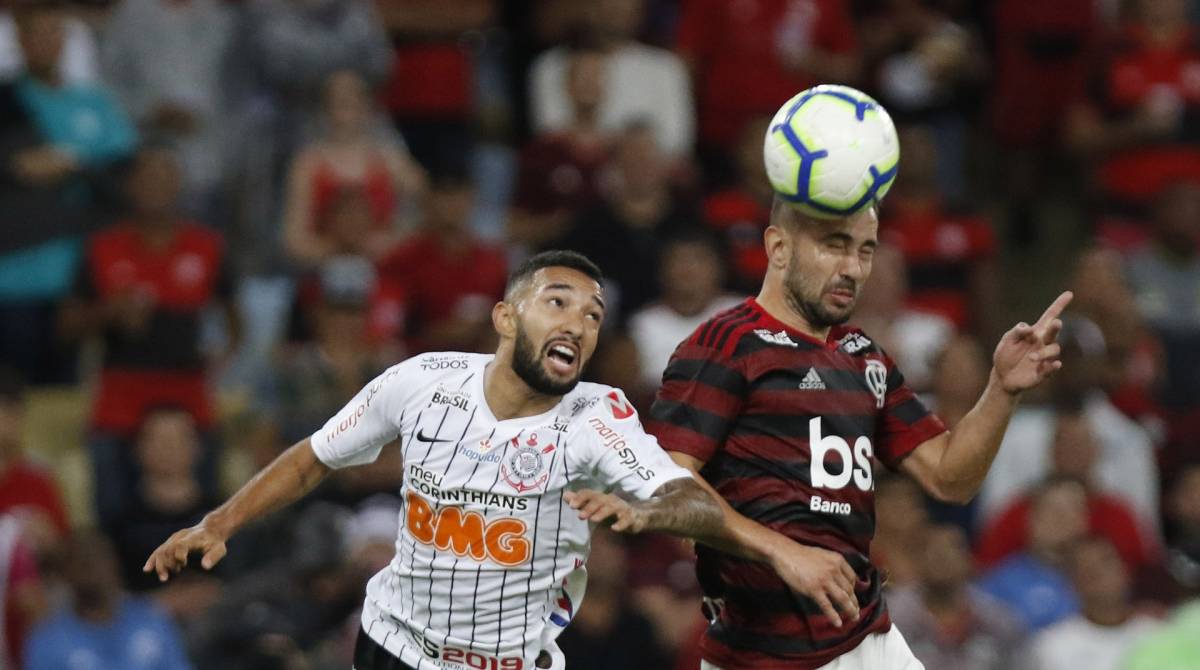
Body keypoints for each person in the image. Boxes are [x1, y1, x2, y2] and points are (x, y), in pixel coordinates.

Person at [145, 251, 835, 670]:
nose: (577, 323)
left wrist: (768, 547)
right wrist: (220, 522)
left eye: (593, 316)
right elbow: (314, 458)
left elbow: (685, 496)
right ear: (506, 318)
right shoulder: (423, 380)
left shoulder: (597, 416)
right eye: (558, 303)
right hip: (393, 650)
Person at [646, 193, 1071, 668]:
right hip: (761, 652)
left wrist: (1000, 390)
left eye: (865, 249)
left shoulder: (863, 355)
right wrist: (783, 552)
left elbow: (951, 478)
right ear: (778, 247)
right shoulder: (725, 344)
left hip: (867, 638)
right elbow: (662, 487)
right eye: (835, 245)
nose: (853, 267)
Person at [24, 529, 192, 670]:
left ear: (115, 563)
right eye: (82, 562)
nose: (92, 568)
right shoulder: (48, 639)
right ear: (64, 573)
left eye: (100, 558)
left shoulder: (153, 619)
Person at [1024, 535, 1161, 670]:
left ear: (1125, 571)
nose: (1098, 573)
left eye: (1106, 562)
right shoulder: (1051, 646)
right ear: (1071, 583)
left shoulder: (1158, 634)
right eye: (1085, 567)